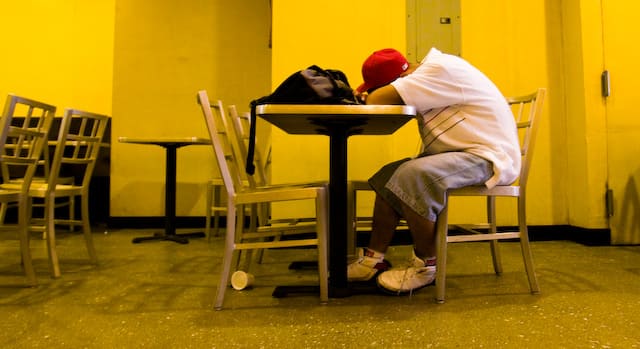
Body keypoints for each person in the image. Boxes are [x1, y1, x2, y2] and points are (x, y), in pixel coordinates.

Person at [348, 47, 521, 295]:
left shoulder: (440, 70)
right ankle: (373, 260)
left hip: (487, 156)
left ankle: (426, 265)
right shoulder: (432, 73)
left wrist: (372, 94)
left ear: (394, 81)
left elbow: (376, 101)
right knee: (388, 176)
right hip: (464, 152)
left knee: (413, 176)